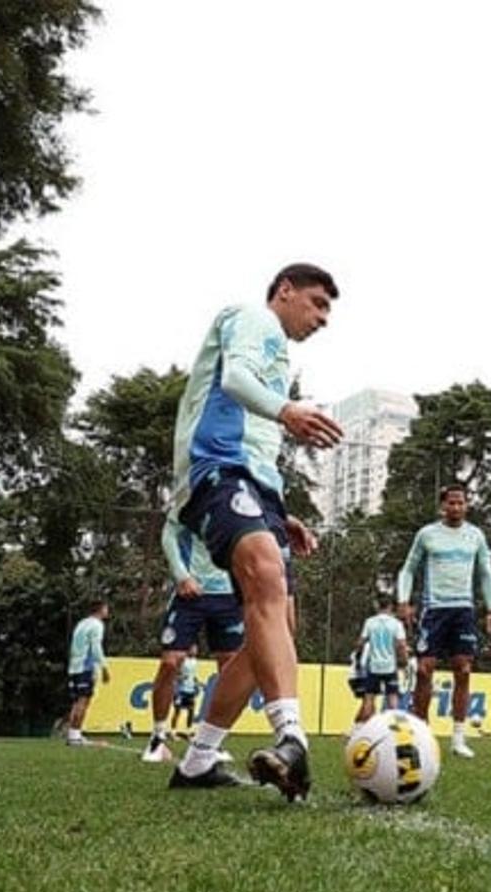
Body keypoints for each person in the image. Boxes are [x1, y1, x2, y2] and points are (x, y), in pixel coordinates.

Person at [166, 263, 343, 798]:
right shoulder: (252, 319)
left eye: (328, 310)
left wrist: (280, 512)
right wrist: (288, 409)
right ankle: (293, 740)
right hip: (214, 469)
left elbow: (258, 441)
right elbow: (233, 381)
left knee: (276, 627)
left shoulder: (279, 355)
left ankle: (198, 762)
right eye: (316, 303)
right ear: (284, 291)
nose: (322, 318)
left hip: (251, 484)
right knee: (266, 578)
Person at [398, 483, 491, 758]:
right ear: (442, 506)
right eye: (451, 503)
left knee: (464, 670)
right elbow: (408, 569)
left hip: (463, 610)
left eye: (461, 503)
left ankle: (458, 739)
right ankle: (421, 734)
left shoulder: (475, 536)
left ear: (467, 505)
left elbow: (486, 573)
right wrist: (404, 600)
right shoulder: (427, 535)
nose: (456, 507)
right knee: (424, 669)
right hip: (434, 610)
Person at [144, 519, 244, 763]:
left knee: (230, 668)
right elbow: (168, 533)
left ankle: (212, 741)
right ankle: (158, 736)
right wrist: (181, 576)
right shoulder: (191, 495)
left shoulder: (240, 496)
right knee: (170, 662)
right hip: (190, 594)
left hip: (228, 597)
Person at [352, 594, 409, 726]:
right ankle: (395, 729)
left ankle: (360, 729)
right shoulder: (396, 624)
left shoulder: (370, 622)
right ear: (390, 606)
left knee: (369, 699)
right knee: (392, 699)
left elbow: (360, 642)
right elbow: (401, 645)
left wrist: (358, 653)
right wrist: (404, 660)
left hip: (374, 666)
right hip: (390, 666)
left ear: (378, 605)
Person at [63, 600, 111, 747]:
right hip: (85, 667)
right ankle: (75, 736)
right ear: (100, 610)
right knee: (83, 701)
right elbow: (95, 647)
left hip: (74, 667)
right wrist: (104, 667)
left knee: (77, 701)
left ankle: (73, 735)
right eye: (106, 608)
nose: (107, 611)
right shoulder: (97, 625)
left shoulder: (82, 623)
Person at [170, 653, 202, 737]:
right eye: (193, 648)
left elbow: (193, 676)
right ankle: (173, 732)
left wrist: (196, 683)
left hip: (190, 691)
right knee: (177, 711)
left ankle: (188, 732)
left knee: (191, 711)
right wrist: (180, 678)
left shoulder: (195, 661)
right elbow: (175, 675)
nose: (195, 650)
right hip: (180, 691)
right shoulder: (182, 660)